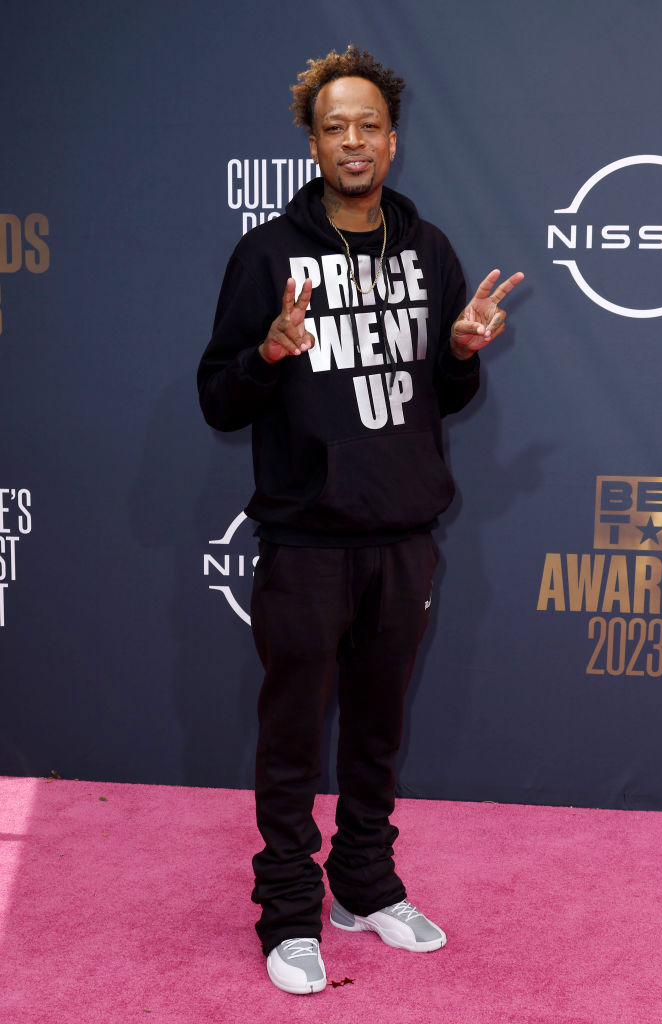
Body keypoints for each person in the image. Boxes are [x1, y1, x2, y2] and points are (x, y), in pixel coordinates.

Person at [197, 45, 523, 996]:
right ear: (310, 141)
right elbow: (220, 400)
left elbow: (442, 397)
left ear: (392, 140)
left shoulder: (427, 249)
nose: (353, 140)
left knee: (378, 734)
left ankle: (364, 886)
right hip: (304, 544)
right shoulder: (264, 254)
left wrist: (459, 352)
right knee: (293, 739)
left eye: (368, 125)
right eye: (334, 126)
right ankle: (289, 914)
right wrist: (266, 349)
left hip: (405, 539)